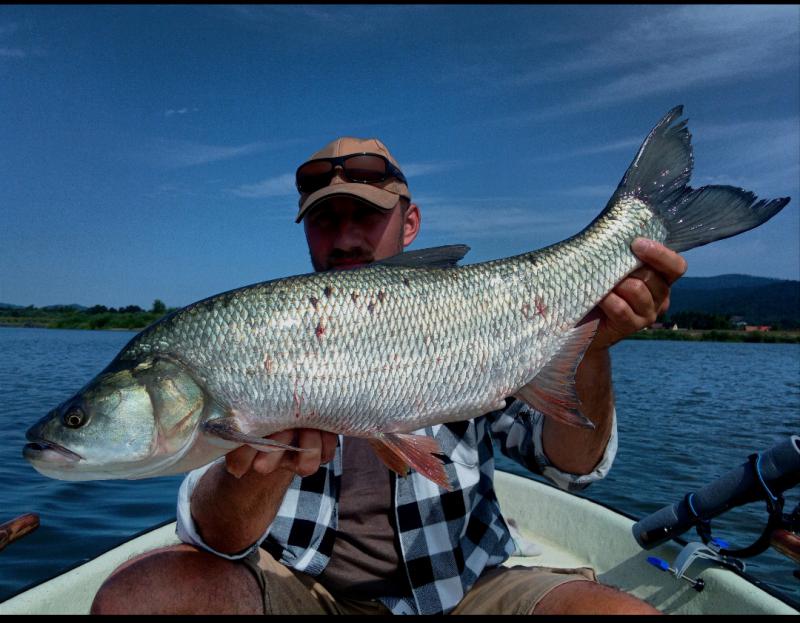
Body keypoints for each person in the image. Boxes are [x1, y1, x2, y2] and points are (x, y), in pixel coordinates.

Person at [91, 137, 687, 615]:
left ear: (411, 222)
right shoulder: (257, 332)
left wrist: (592, 347)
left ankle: (647, 220)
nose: (346, 237)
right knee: (139, 598)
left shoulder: (481, 314)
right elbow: (217, 540)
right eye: (325, 220)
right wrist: (261, 470)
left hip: (465, 589)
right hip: (303, 587)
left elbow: (572, 468)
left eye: (367, 215)